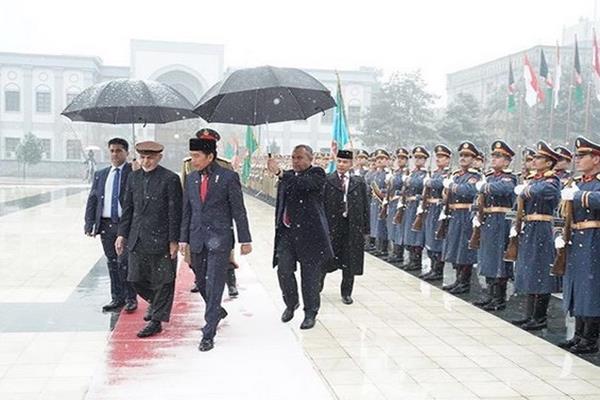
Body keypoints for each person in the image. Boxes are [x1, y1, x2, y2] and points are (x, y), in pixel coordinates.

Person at [180, 137, 252, 352]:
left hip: (220, 239)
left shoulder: (228, 177)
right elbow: (187, 211)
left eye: (196, 156)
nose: (193, 160)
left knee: (214, 284)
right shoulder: (191, 178)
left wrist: (245, 239)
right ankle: (216, 310)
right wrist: (183, 238)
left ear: (210, 156)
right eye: (192, 156)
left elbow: (238, 210)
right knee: (201, 282)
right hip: (197, 239)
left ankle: (209, 331)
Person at [115, 141, 183, 338]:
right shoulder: (133, 178)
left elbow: (174, 211)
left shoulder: (169, 179)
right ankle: (157, 302)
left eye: (151, 157)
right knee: (134, 278)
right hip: (137, 237)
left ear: (159, 157)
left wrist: (173, 240)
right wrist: (121, 234)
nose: (146, 161)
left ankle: (156, 321)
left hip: (161, 238)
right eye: (143, 157)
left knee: (164, 280)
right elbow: (127, 209)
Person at [267, 145, 334, 330]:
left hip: (310, 235)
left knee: (310, 276)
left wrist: (280, 172)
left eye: (300, 158)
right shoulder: (288, 176)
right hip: (287, 233)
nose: (295, 161)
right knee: (284, 270)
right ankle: (291, 302)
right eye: (293, 157)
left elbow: (304, 185)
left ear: (310, 159)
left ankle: (310, 312)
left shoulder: (317, 174)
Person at [181, 128, 241, 298]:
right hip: (197, 221)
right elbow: (185, 190)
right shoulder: (188, 164)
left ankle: (230, 281)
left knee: (223, 259)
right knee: (197, 260)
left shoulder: (224, 165)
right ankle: (202, 283)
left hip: (218, 223)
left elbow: (234, 200)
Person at [511, 141, 561, 331]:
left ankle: (539, 317)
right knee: (530, 270)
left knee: (540, 270)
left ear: (549, 163)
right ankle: (530, 315)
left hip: (542, 229)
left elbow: (544, 192)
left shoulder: (551, 180)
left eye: (539, 158)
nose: (534, 160)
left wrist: (525, 190)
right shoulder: (534, 179)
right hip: (531, 227)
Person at [556, 136, 600, 354]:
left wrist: (580, 196)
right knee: (577, 286)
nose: (578, 160)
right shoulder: (578, 182)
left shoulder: (592, 184)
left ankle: (591, 338)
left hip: (594, 238)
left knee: (590, 288)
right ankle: (579, 334)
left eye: (583, 156)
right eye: (578, 156)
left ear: (596, 159)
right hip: (577, 237)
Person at [84, 138, 137, 313]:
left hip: (126, 224)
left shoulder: (133, 172)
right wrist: (89, 222)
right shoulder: (101, 174)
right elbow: (93, 199)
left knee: (125, 262)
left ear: (127, 153)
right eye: (112, 150)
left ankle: (131, 297)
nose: (115, 154)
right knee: (112, 262)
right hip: (106, 224)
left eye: (119, 151)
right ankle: (117, 297)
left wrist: (139, 172)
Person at [472, 140, 517, 311]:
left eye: (498, 156)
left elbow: (503, 189)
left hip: (500, 221)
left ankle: (499, 298)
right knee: (488, 259)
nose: (494, 159)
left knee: (499, 259)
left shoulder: (509, 178)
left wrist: (485, 186)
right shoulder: (490, 177)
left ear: (507, 161)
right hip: (489, 220)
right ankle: (490, 295)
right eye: (493, 155)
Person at [322, 149, 370, 305]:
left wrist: (366, 229)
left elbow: (365, 207)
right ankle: (317, 286)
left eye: (345, 162)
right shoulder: (328, 180)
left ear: (351, 164)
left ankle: (346, 292)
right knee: (326, 258)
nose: (341, 165)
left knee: (349, 261)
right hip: (332, 226)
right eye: (339, 161)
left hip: (352, 227)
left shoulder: (359, 182)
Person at [441, 141, 481, 294]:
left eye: (467, 156)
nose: (463, 158)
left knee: (464, 249)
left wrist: (452, 187)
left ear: (473, 159)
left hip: (466, 215)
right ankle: (458, 280)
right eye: (462, 155)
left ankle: (464, 282)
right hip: (455, 214)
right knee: (455, 247)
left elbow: (468, 191)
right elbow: (447, 195)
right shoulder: (457, 175)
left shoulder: (474, 176)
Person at [420, 144, 452, 281]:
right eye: (437, 157)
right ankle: (433, 267)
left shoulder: (448, 174)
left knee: (438, 240)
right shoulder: (435, 173)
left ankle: (438, 270)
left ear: (448, 159)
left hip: (439, 209)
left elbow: (439, 185)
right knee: (430, 239)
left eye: (442, 157)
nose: (438, 159)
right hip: (431, 209)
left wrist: (429, 182)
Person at [400, 146, 429, 272]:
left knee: (417, 234)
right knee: (409, 233)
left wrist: (416, 197)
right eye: (416, 158)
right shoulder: (412, 173)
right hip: (409, 206)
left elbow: (421, 188)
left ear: (425, 160)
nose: (418, 160)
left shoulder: (426, 175)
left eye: (421, 158)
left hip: (418, 206)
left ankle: (416, 261)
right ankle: (411, 259)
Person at [386, 148, 410, 264]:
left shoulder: (407, 173)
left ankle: (399, 253)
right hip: (393, 202)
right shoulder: (396, 172)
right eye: (398, 158)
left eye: (402, 158)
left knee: (399, 228)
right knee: (393, 227)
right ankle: (395, 252)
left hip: (401, 203)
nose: (400, 160)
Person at [370, 149, 391, 257]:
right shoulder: (375, 174)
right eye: (377, 159)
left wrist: (381, 193)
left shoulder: (388, 174)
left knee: (383, 226)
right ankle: (378, 247)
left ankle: (383, 248)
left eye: (382, 159)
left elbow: (389, 189)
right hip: (375, 202)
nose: (379, 161)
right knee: (376, 224)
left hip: (383, 202)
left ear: (387, 160)